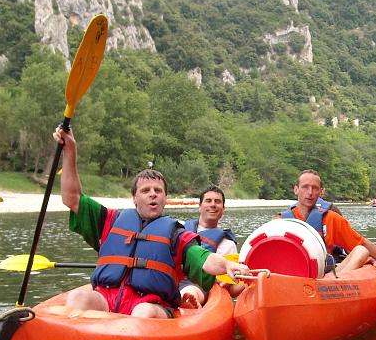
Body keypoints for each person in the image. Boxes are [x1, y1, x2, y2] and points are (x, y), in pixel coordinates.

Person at [53, 127, 248, 318]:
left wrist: (227, 266)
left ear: (165, 198)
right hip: (107, 298)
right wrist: (70, 150)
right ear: (134, 198)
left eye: (158, 190)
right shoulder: (110, 221)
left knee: (142, 312)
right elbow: (72, 198)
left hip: (150, 303)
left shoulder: (176, 234)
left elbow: (204, 258)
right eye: (146, 191)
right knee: (79, 297)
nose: (152, 194)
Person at [279, 169, 376, 276]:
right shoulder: (280, 222)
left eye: (315, 188)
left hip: (323, 276)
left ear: (321, 192)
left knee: (361, 250)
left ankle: (330, 285)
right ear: (296, 189)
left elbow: (364, 243)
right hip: (292, 275)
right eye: (305, 187)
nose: (310, 192)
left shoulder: (331, 218)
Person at [180, 186, 245, 305]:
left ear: (223, 209)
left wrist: (247, 282)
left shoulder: (228, 244)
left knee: (193, 289)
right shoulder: (179, 230)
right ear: (200, 207)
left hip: (200, 288)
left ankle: (189, 298)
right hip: (175, 278)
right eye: (208, 201)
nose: (213, 205)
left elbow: (232, 290)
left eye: (218, 202)